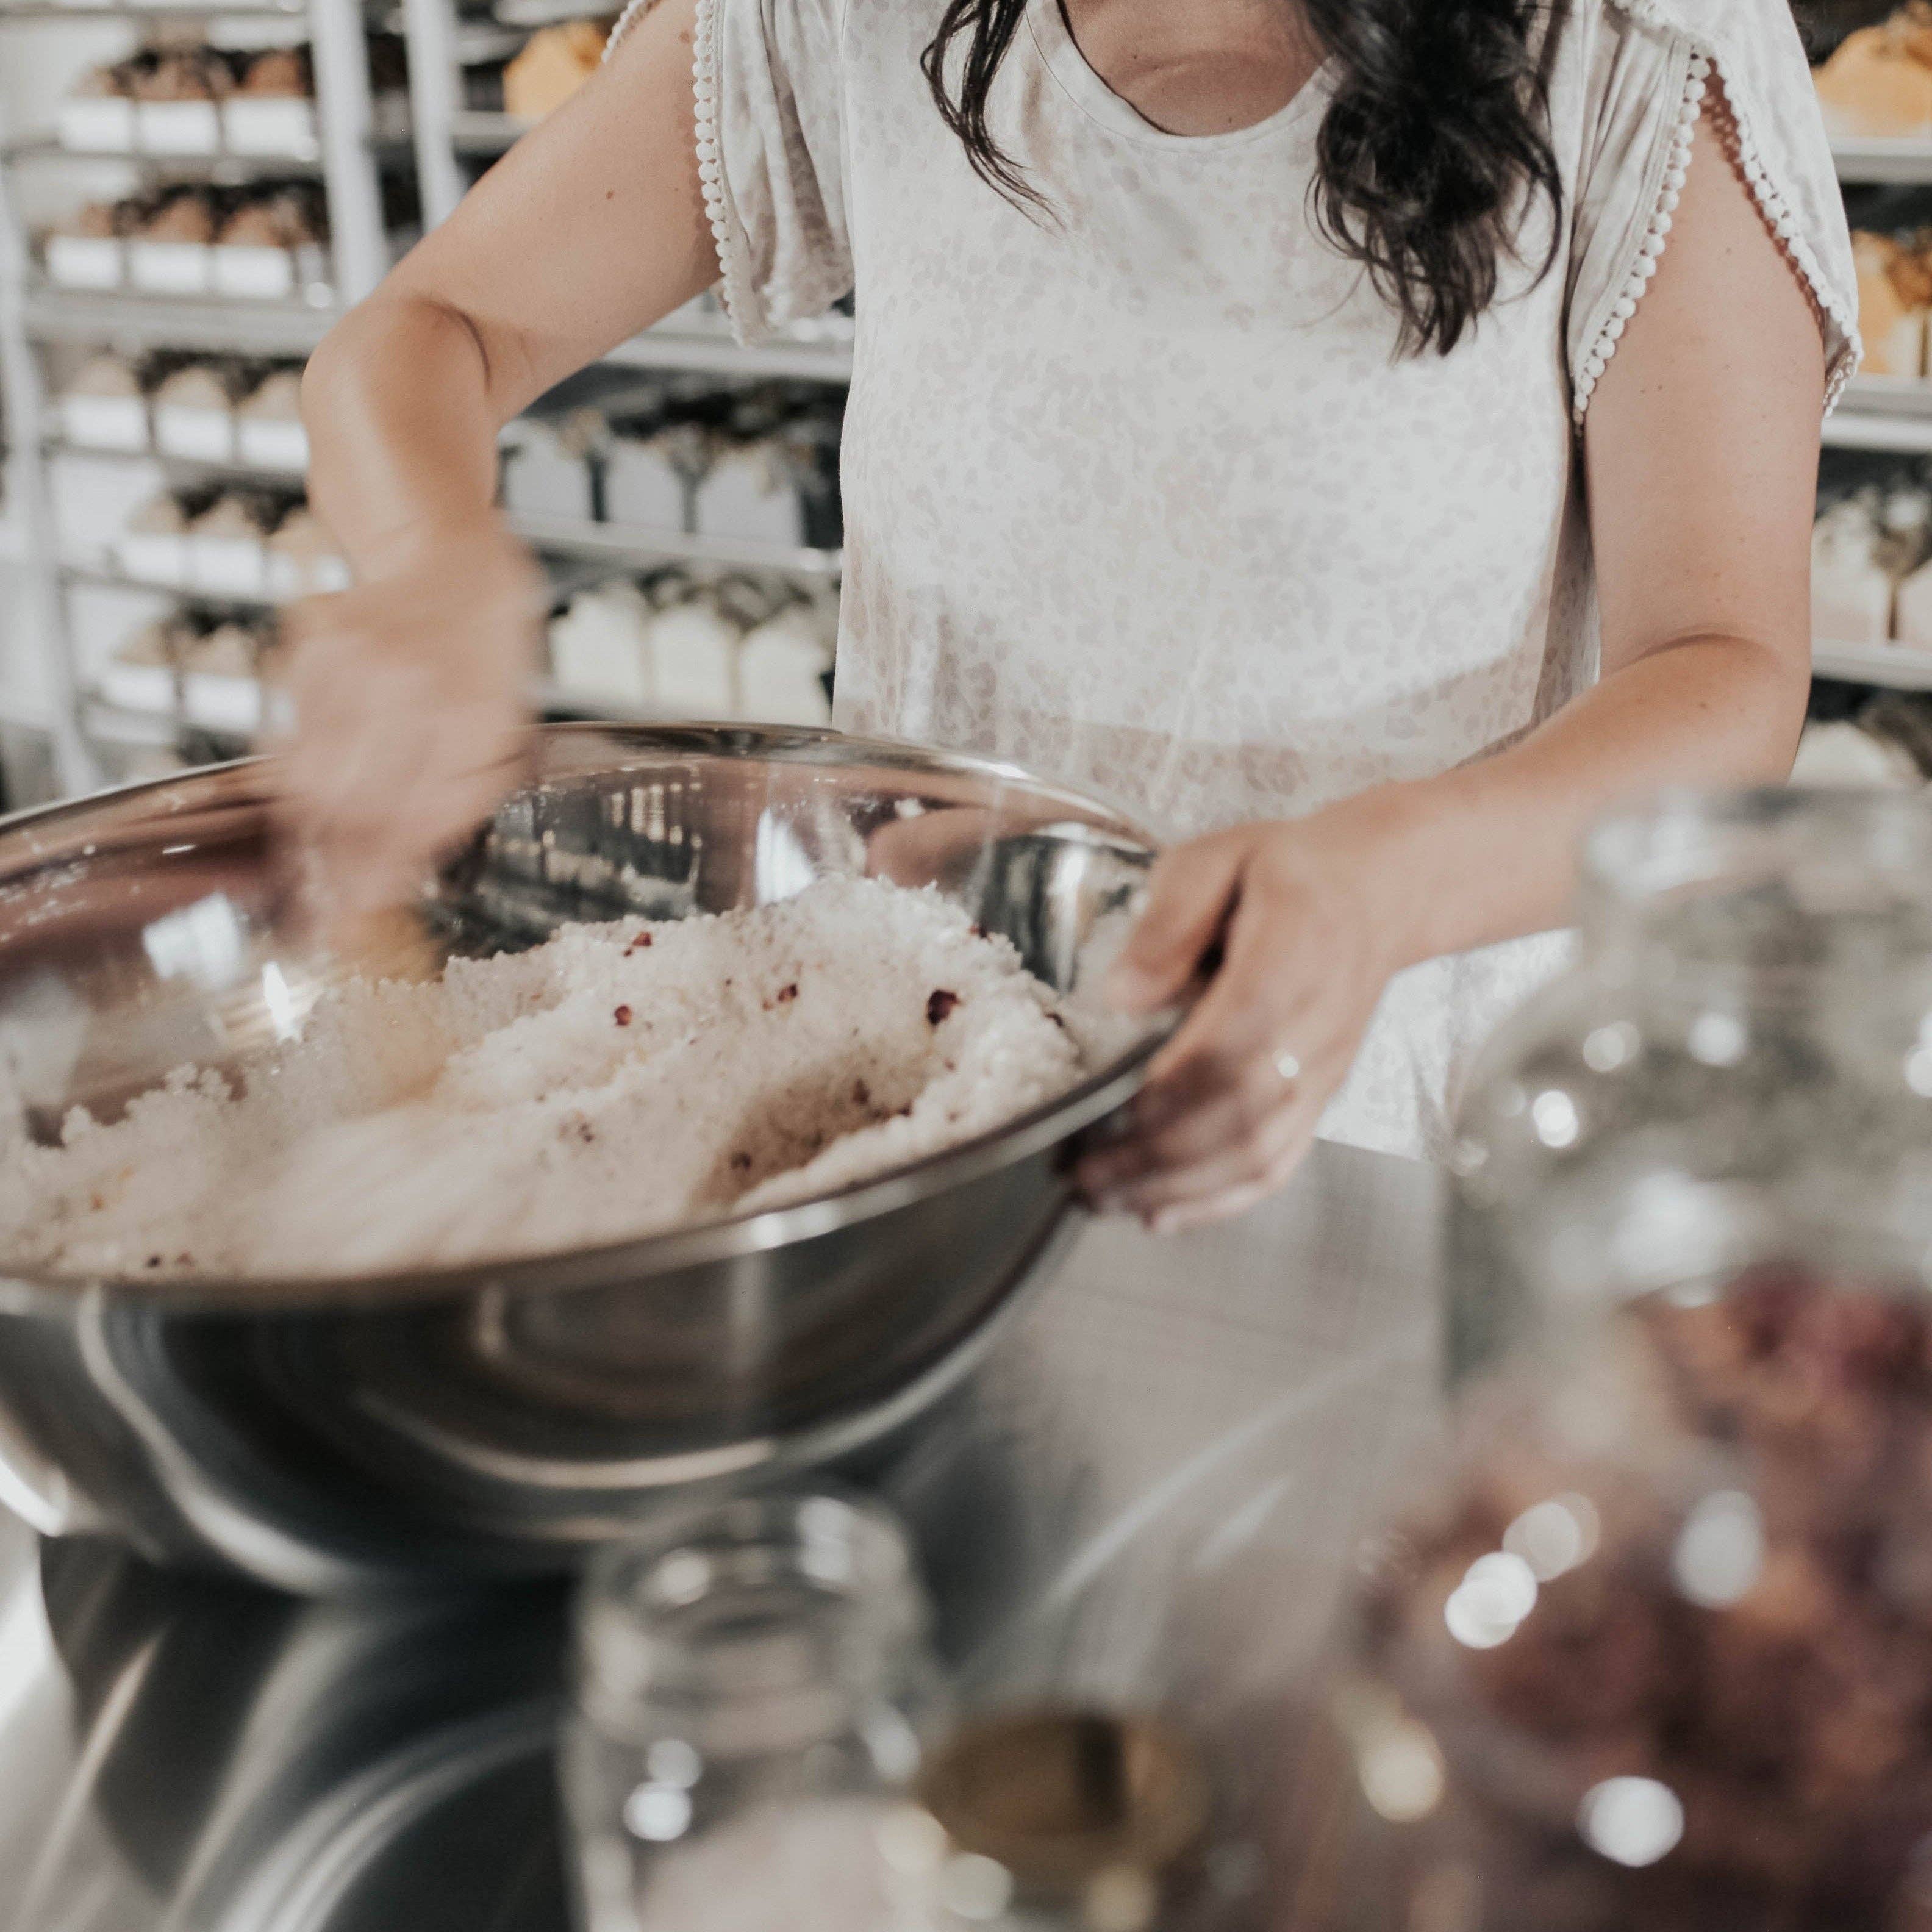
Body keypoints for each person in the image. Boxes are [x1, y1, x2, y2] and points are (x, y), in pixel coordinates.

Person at [285, 0, 1853, 1233]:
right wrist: (429, 565)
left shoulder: (1640, 45)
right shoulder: (852, 20)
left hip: (1371, 1155)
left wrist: (1376, 886)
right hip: (908, 1114)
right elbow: (432, 330)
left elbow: (1722, 674)